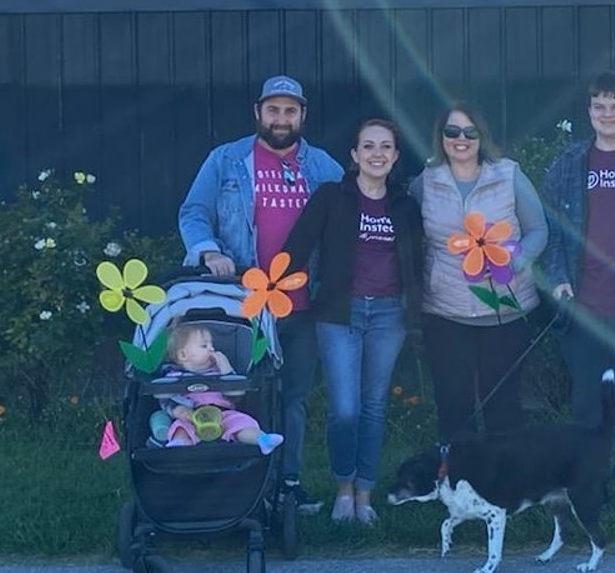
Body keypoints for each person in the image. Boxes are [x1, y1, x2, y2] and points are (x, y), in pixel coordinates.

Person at [178, 74, 344, 513]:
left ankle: (288, 484)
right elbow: (194, 212)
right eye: (273, 109)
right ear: (258, 112)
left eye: (290, 110)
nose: (281, 119)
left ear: (302, 115)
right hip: (242, 305)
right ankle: (242, 484)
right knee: (243, 391)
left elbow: (350, 222)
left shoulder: (325, 167)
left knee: (294, 397)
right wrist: (209, 250)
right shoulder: (226, 161)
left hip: (303, 306)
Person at [283, 118, 423, 525]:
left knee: (374, 406)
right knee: (345, 409)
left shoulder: (405, 205)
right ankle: (343, 488)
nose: (377, 153)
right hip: (338, 314)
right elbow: (296, 249)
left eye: (385, 147)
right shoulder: (331, 197)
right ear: (355, 155)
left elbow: (419, 262)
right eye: (368, 146)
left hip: (388, 315)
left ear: (395, 156)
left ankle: (365, 494)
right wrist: (266, 287)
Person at [541, 70, 615, 517]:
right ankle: (590, 484)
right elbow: (550, 231)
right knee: (587, 407)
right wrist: (557, 278)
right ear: (589, 112)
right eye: (599, 106)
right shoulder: (569, 165)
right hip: (584, 305)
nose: (608, 114)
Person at [410, 101, 549, 439]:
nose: (461, 139)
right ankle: (459, 481)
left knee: (503, 404)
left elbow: (539, 229)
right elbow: (411, 238)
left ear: (481, 136)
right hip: (446, 313)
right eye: (452, 131)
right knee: (453, 404)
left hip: (504, 311)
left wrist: (516, 262)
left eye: (470, 132)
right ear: (441, 137)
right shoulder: (425, 182)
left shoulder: (508, 174)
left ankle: (504, 484)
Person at [154, 322, 284, 455]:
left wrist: (225, 367)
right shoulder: (173, 376)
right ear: (183, 355)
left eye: (212, 345)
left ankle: (262, 439)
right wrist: (176, 409)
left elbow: (236, 393)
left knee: (242, 422)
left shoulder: (219, 370)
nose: (211, 349)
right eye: (204, 346)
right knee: (180, 427)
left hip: (223, 414)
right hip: (192, 417)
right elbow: (163, 397)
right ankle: (178, 445)